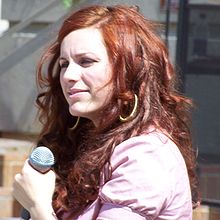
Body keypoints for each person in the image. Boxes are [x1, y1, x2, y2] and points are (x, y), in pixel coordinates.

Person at [12, 4, 200, 220]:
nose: (69, 75)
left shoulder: (145, 154)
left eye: (86, 61)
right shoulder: (84, 142)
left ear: (129, 70)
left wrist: (38, 206)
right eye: (64, 64)